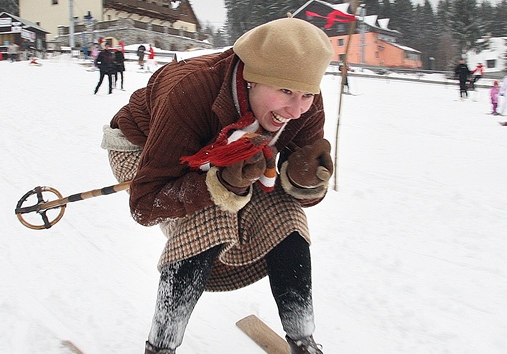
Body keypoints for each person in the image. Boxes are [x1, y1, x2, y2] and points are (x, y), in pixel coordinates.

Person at [101, 17, 334, 354]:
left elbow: (298, 190)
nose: (296, 110)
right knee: (212, 215)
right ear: (253, 79)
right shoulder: (191, 91)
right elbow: (145, 205)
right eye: (285, 92)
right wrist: (218, 184)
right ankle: (161, 347)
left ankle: (303, 341)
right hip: (145, 147)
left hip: (237, 154)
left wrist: (304, 181)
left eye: (306, 95)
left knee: (287, 218)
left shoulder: (303, 98)